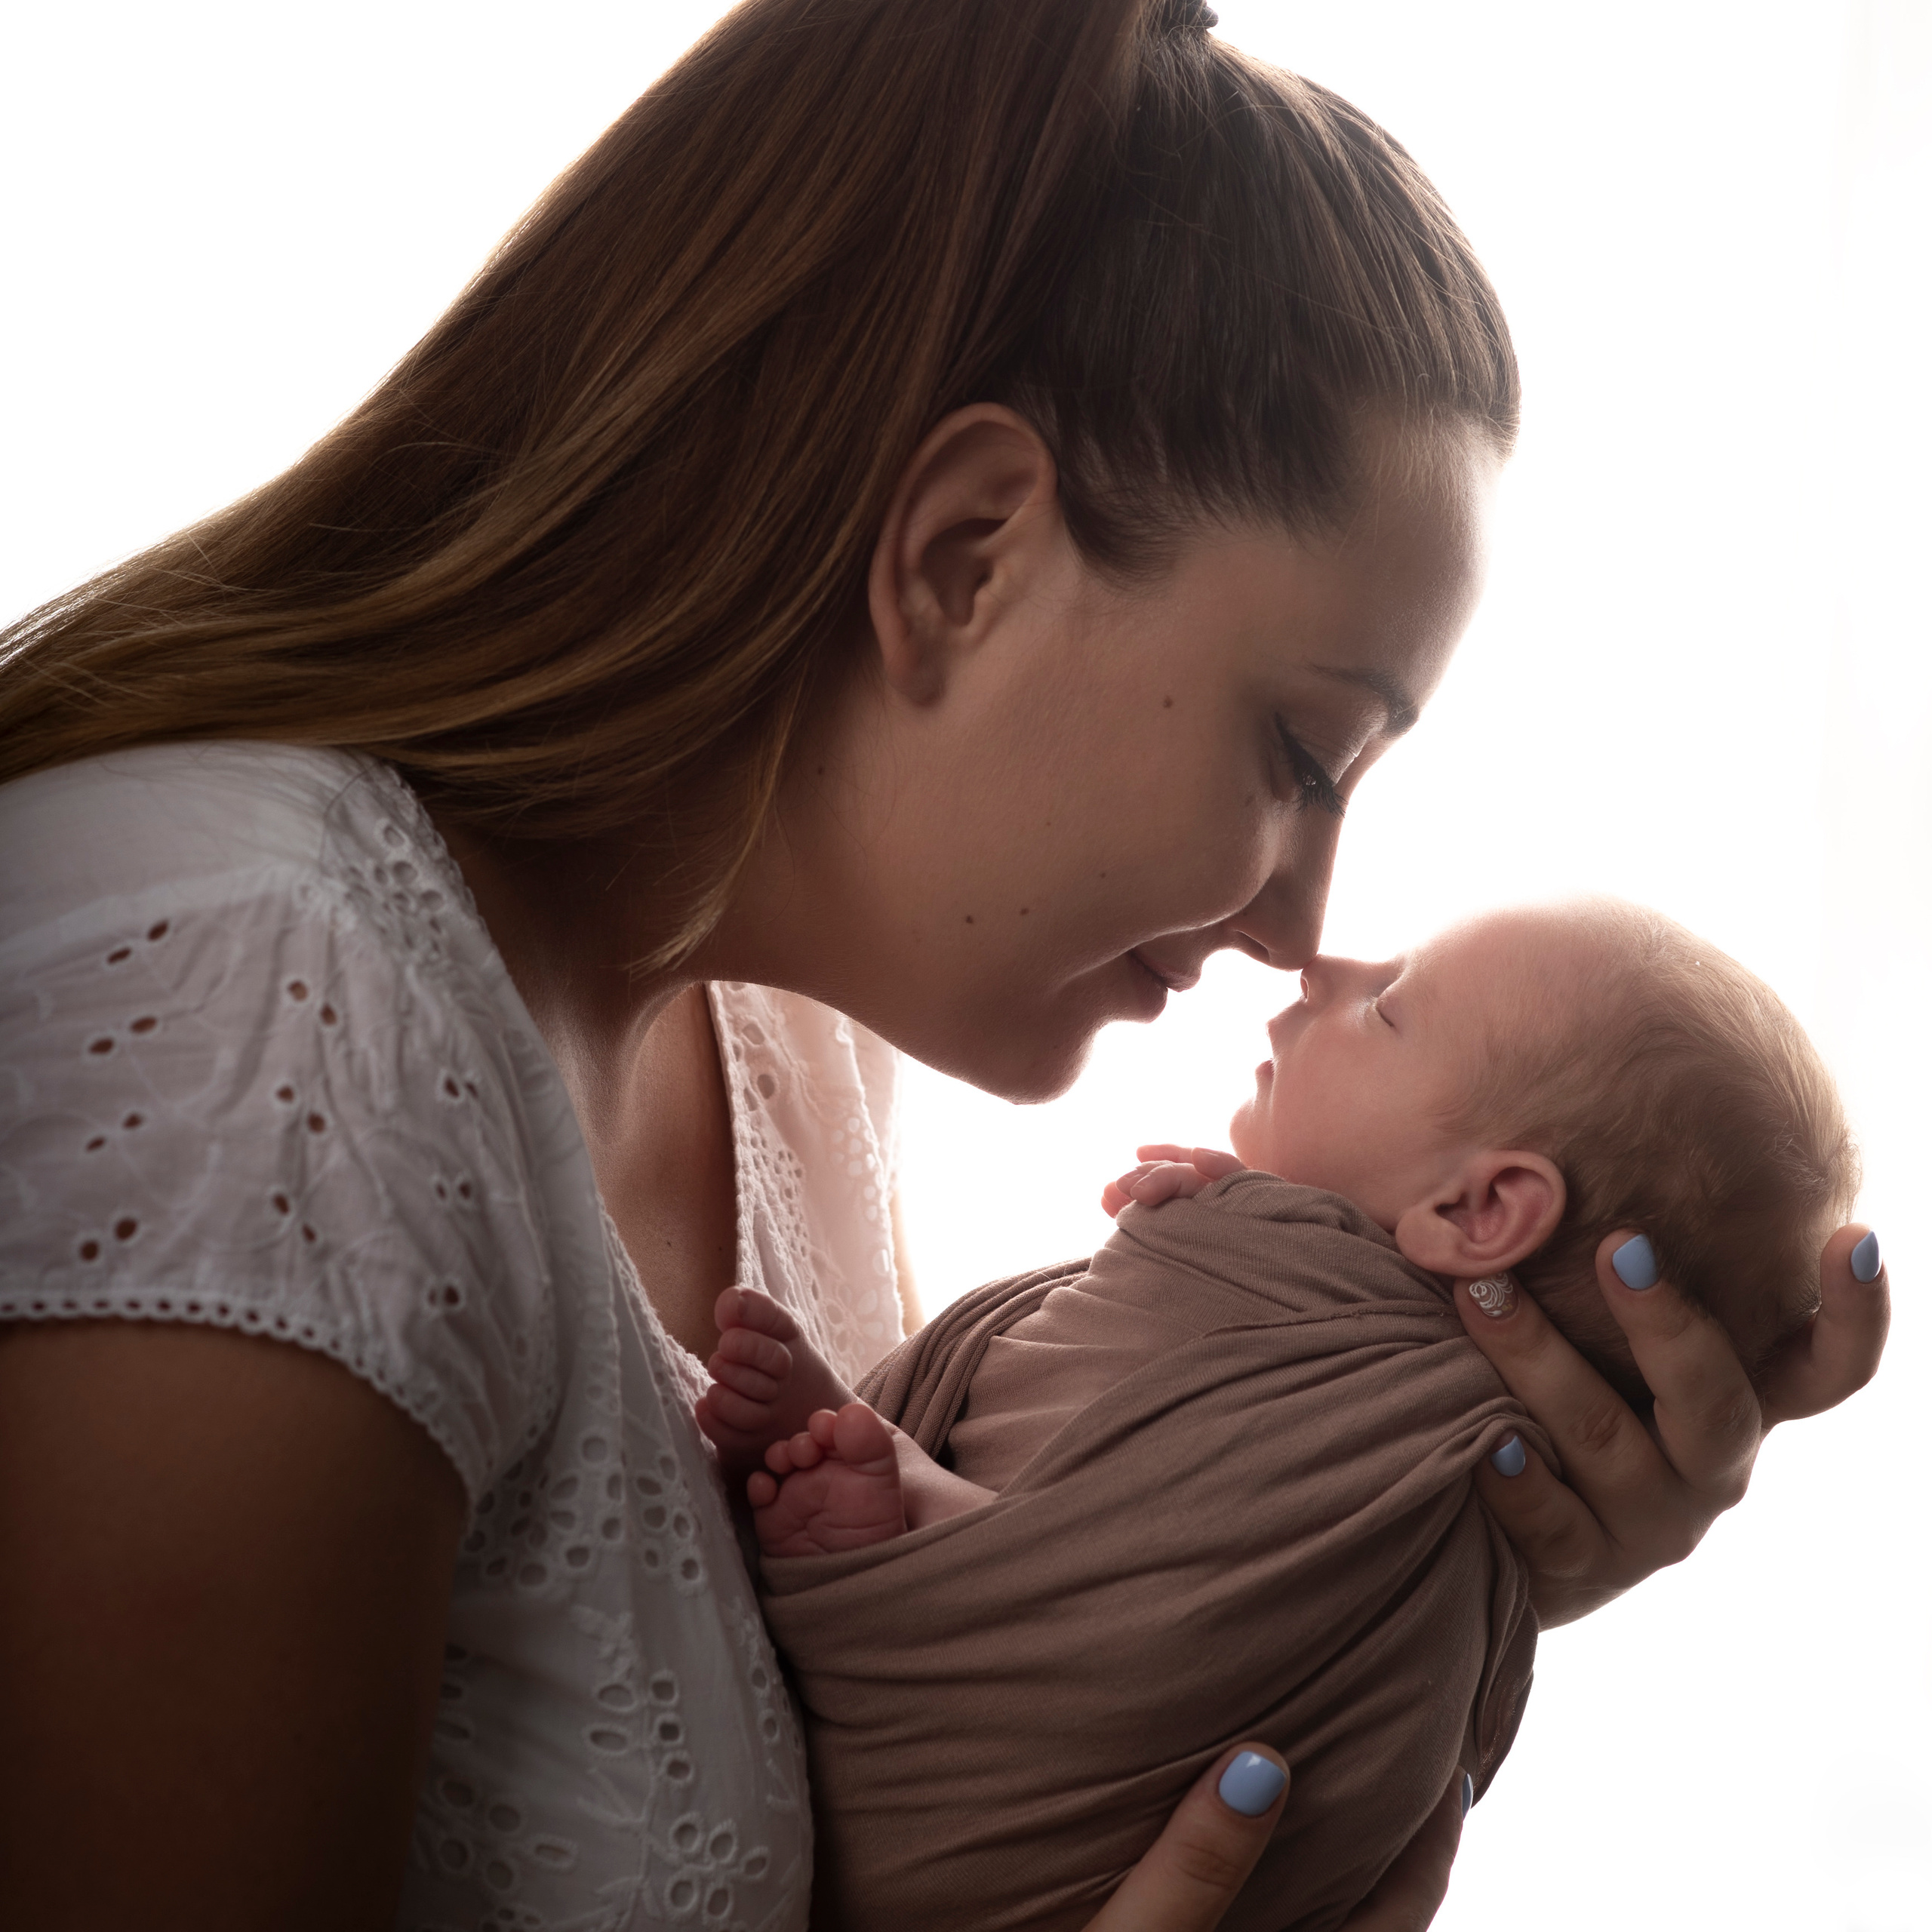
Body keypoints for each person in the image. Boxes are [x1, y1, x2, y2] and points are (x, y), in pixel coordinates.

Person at [0, 1, 1886, 1927]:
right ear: (966, 555)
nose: (1302, 928)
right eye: (1302, 753)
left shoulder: (799, 1069)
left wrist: (1362, 1551)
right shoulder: (269, 1020)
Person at [696, 898, 1866, 1928]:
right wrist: (1223, 1225)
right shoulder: (1313, 1326)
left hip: (1011, 1793)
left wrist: (1225, 1229)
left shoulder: (1371, 1406)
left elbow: (1201, 1575)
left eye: (1391, 1005)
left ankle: (921, 1512)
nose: (1325, 965)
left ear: (1481, 1210)